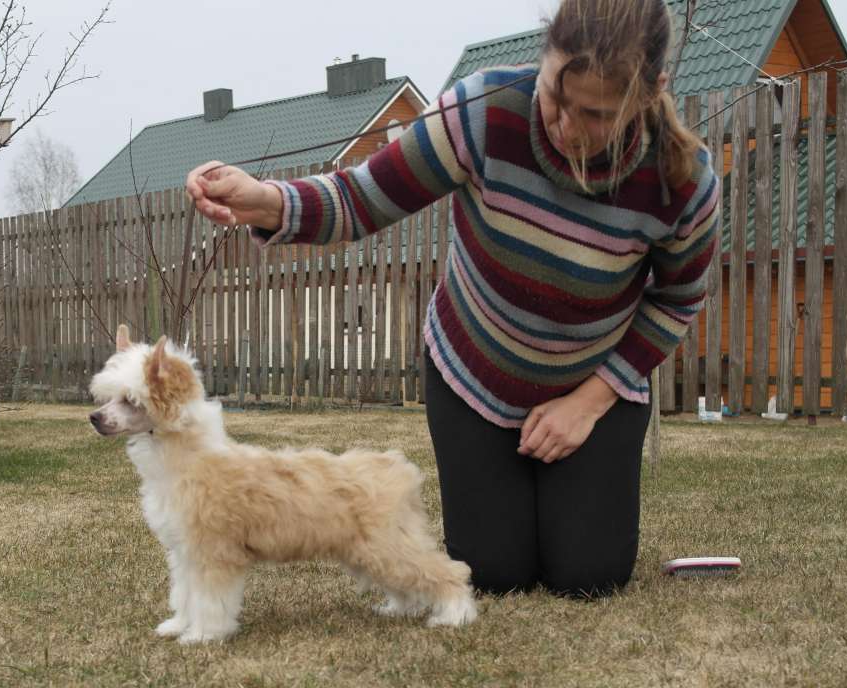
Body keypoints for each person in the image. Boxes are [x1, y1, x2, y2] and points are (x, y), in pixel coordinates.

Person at [186, 0, 720, 598]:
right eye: (554, 96)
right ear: (542, 61)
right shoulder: (486, 110)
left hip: (592, 388)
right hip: (474, 373)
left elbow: (677, 300)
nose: (565, 127)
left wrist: (589, 403)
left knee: (589, 577)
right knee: (494, 574)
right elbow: (363, 198)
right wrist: (267, 201)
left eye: (594, 113)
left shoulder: (683, 181)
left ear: (650, 92)